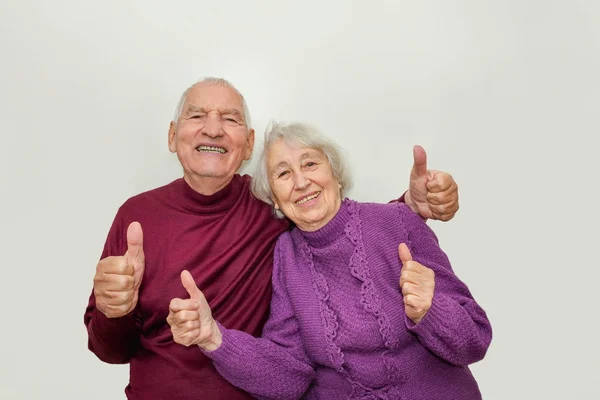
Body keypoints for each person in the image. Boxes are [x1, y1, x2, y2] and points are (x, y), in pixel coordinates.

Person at [84, 77, 460, 400]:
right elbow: (109, 350)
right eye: (196, 115)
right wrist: (111, 309)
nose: (212, 129)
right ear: (172, 135)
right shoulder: (136, 217)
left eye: (229, 119)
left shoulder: (271, 204)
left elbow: (338, 225)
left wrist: (410, 205)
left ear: (247, 146)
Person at [167, 121, 491, 399]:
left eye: (310, 164)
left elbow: (475, 340)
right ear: (275, 199)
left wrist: (431, 310)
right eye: (283, 173)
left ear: (335, 174)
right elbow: (289, 376)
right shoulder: (286, 257)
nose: (301, 181)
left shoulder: (397, 222)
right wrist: (213, 336)